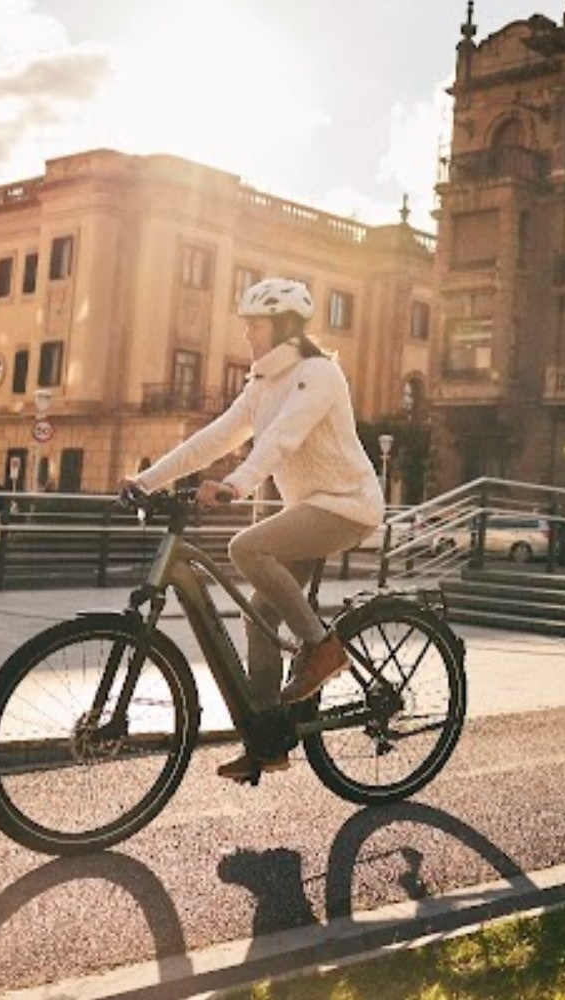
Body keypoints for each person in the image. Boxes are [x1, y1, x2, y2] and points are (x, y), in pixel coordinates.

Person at [125, 278, 384, 782]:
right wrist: (146, 480)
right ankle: (267, 740)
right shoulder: (262, 385)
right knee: (259, 614)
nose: (246, 334)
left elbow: (283, 438)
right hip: (306, 510)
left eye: (256, 326)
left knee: (245, 547)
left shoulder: (318, 374)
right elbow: (212, 439)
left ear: (285, 327)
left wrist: (235, 485)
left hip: (347, 506)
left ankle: (323, 646)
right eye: (246, 325)